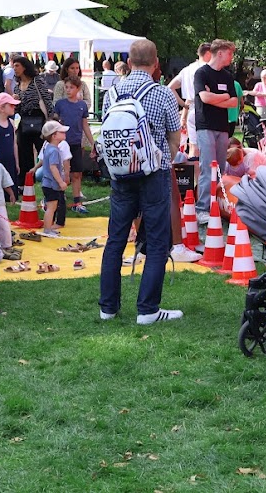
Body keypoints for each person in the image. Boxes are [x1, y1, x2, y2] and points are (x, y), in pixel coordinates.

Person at [98, 38, 184, 325]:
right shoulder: (163, 94)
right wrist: (159, 159)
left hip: (120, 173)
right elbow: (174, 137)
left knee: (115, 240)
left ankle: (107, 308)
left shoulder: (111, 93)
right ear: (156, 62)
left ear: (130, 60)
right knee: (158, 241)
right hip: (153, 173)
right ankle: (147, 310)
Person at [193, 40, 239, 221]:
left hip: (222, 126)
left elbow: (234, 102)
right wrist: (224, 97)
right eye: (229, 53)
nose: (231, 57)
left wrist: (216, 98)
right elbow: (204, 97)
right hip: (205, 125)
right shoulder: (201, 73)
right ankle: (201, 208)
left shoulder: (227, 76)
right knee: (207, 166)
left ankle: (217, 203)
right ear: (220, 53)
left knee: (220, 166)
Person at [54, 75, 95, 215]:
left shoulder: (82, 105)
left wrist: (92, 142)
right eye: (66, 87)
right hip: (62, 143)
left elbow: (85, 125)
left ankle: (77, 201)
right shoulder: (60, 104)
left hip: (76, 143)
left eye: (71, 87)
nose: (68, 90)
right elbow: (54, 123)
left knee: (76, 172)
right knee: (61, 171)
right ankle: (58, 199)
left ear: (78, 89)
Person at [169, 43, 211, 158]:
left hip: (192, 109)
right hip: (206, 109)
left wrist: (184, 105)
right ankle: (209, 175)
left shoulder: (187, 69)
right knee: (208, 147)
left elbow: (170, 87)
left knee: (193, 147)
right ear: (208, 53)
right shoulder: (208, 68)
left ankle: (195, 176)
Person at [12, 56, 51, 171]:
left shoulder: (37, 81)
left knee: (42, 148)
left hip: (38, 118)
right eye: (14, 66)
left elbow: (46, 99)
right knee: (23, 151)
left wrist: (51, 117)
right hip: (23, 120)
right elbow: (18, 109)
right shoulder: (17, 86)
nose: (15, 68)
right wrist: (15, 101)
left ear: (24, 67)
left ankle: (48, 174)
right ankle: (26, 180)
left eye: (17, 66)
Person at [36, 121, 72, 237]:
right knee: (51, 207)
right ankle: (47, 230)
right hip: (51, 184)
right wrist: (61, 182)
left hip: (49, 184)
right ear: (54, 136)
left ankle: (48, 228)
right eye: (61, 132)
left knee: (52, 206)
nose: (64, 133)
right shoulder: (54, 151)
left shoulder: (50, 148)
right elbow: (53, 167)